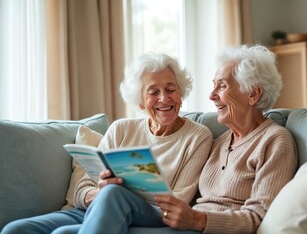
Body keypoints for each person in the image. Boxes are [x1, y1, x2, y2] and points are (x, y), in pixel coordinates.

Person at [2, 52, 213, 234]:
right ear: (140, 101)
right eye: (153, 92)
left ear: (181, 93)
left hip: (149, 214)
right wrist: (98, 193)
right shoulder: (121, 129)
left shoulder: (198, 136)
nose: (164, 98)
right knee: (17, 230)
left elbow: (180, 202)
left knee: (110, 196)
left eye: (170, 89)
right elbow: (82, 187)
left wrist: (118, 194)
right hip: (95, 207)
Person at [129, 44, 299, 233]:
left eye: (222, 85)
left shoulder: (274, 141)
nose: (211, 95)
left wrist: (199, 220)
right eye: (213, 85)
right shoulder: (219, 141)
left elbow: (260, 217)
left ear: (253, 94)